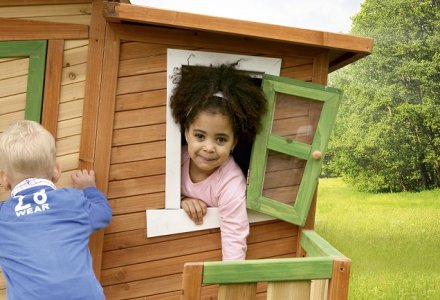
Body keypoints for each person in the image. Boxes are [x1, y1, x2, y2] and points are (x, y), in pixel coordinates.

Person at [0, 120, 112, 300]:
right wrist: (89, 189)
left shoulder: (2, 217)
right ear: (56, 171)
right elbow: (103, 215)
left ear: (4, 179)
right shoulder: (73, 200)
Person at [170, 62, 267, 260]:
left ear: (234, 143)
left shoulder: (231, 181)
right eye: (200, 136)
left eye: (221, 139)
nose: (209, 147)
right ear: (186, 133)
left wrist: (230, 279)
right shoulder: (177, 159)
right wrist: (182, 201)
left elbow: (234, 232)